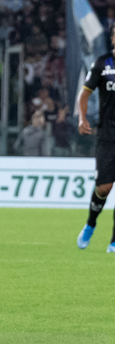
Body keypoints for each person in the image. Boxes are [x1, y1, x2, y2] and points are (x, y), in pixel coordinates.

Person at [76, 23, 115, 253]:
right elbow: (85, 92)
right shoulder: (102, 63)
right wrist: (82, 118)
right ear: (112, 39)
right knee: (104, 187)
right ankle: (91, 223)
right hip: (108, 135)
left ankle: (114, 241)